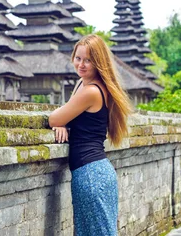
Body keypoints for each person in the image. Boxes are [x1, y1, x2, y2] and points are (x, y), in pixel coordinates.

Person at [49, 34, 132, 236]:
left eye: (88, 60)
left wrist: (60, 123)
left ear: (99, 63)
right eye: (78, 58)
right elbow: (69, 116)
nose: (82, 65)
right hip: (93, 173)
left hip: (91, 176)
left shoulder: (92, 91)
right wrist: (65, 125)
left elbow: (54, 118)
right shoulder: (83, 84)